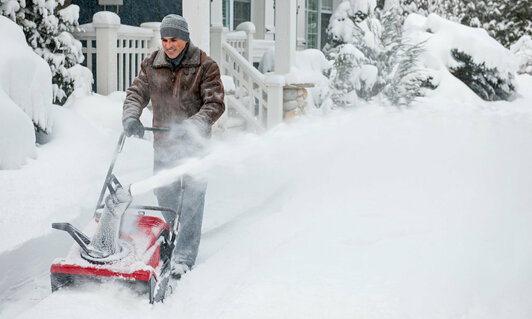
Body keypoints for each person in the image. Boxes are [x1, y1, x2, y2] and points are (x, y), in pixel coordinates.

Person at [122, 14, 225, 278]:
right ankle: (171, 240)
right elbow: (136, 93)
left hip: (195, 149)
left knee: (191, 202)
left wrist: (193, 126)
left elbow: (215, 103)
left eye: (174, 40)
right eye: (165, 39)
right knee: (165, 199)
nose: (168, 45)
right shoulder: (152, 64)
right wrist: (132, 116)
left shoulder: (205, 65)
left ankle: (183, 257)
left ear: (185, 38)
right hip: (164, 146)